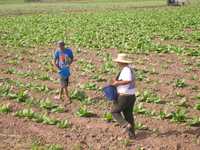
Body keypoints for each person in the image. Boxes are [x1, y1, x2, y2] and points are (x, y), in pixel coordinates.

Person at [111, 53, 136, 138]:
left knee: (114, 111)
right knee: (128, 115)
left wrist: (117, 83)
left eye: (118, 62)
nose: (117, 63)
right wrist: (116, 81)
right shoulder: (130, 69)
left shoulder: (126, 70)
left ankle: (125, 125)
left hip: (125, 96)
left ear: (121, 62)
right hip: (131, 95)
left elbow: (128, 80)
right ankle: (132, 134)